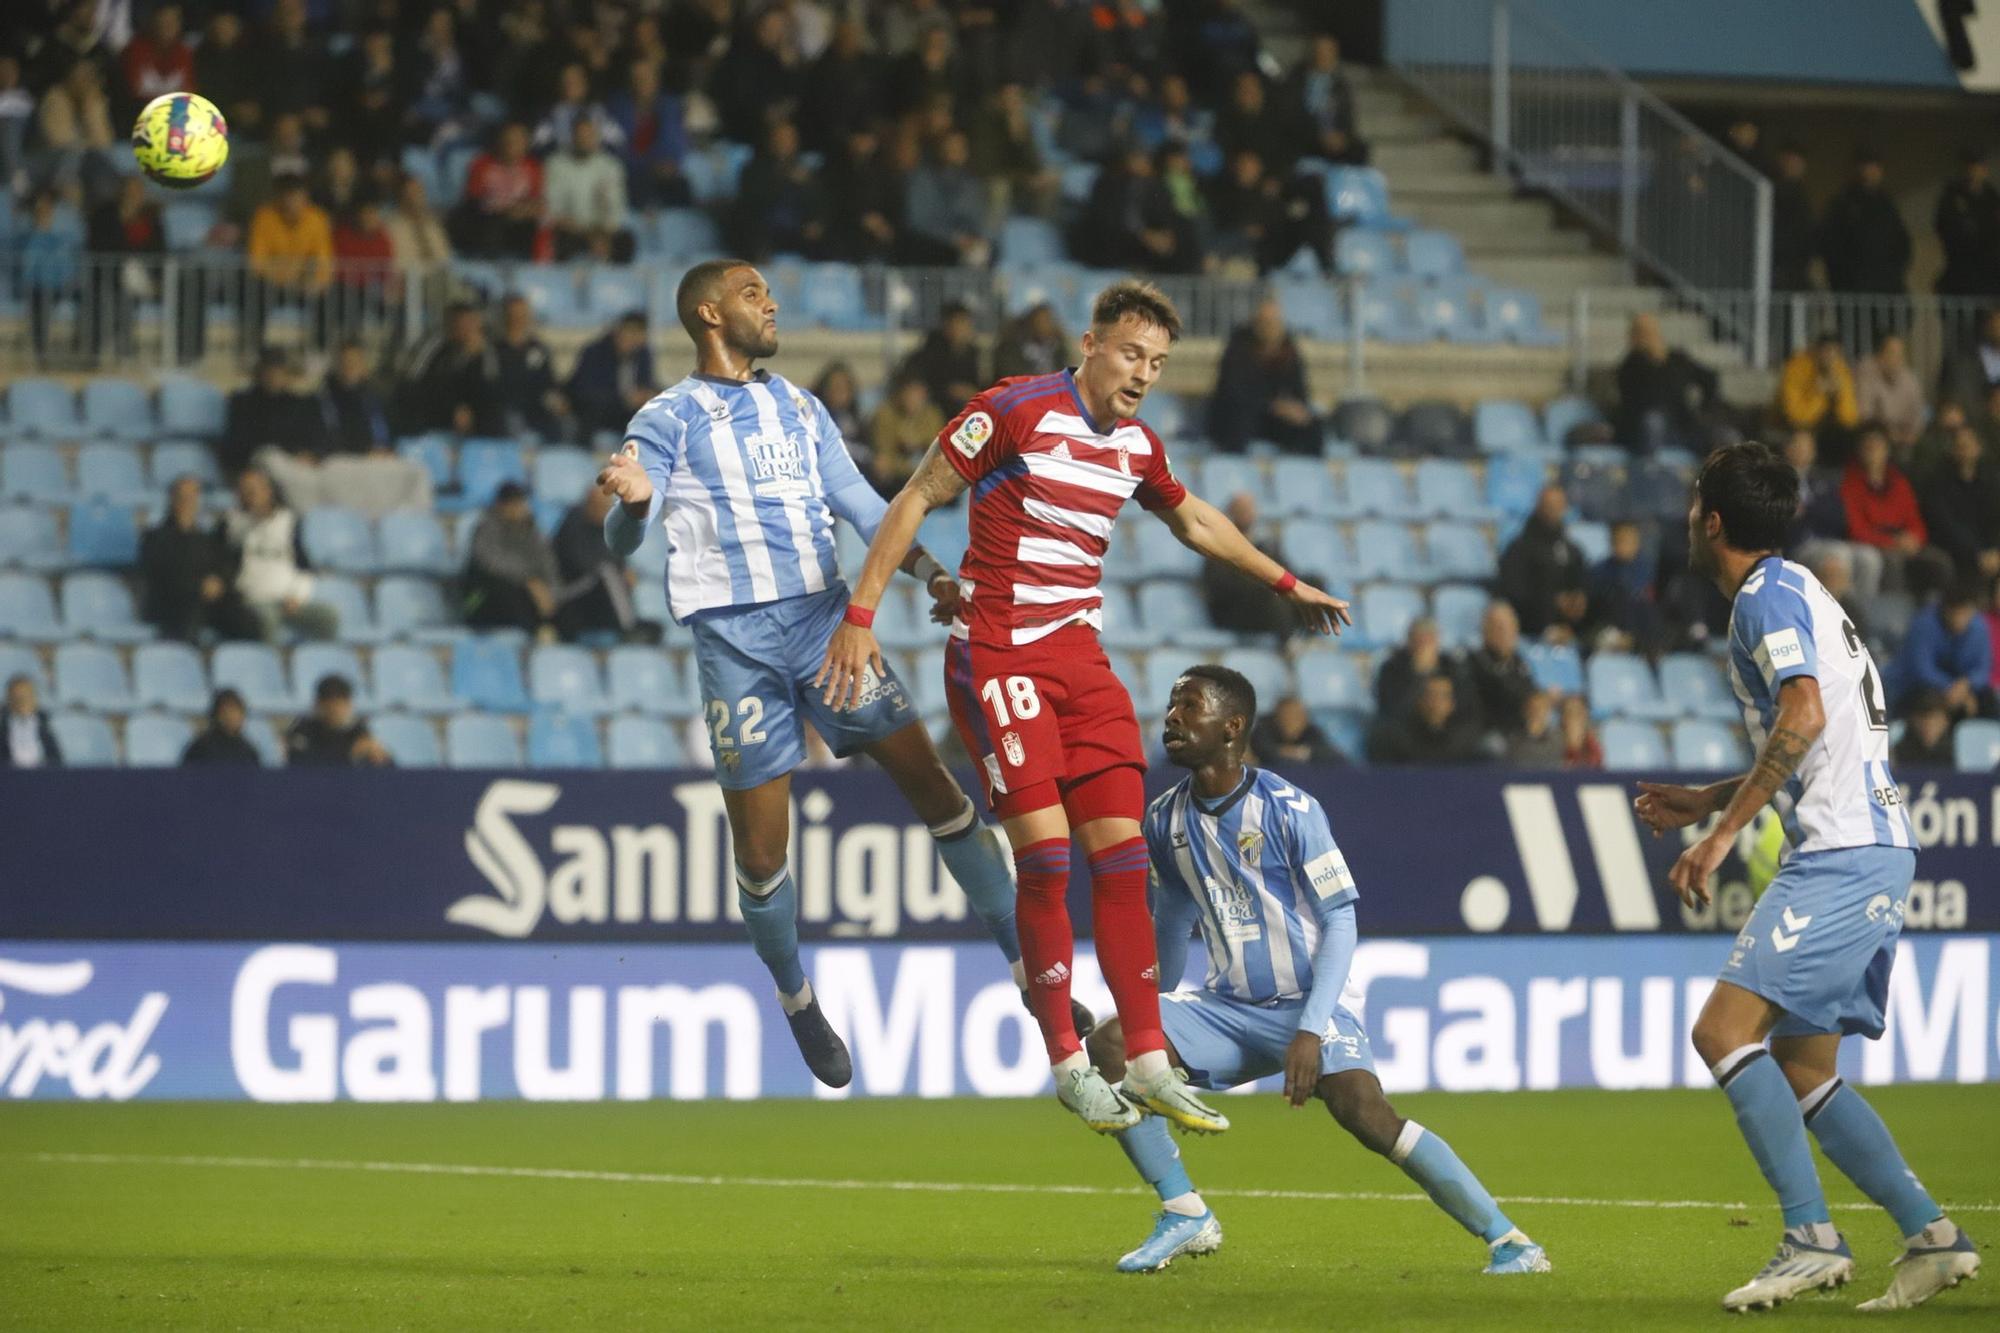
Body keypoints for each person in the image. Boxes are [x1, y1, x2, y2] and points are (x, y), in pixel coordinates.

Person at [820, 279, 1349, 1132]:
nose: (1145, 372)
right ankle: (1067, 1057)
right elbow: (917, 494)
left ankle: (1145, 1057)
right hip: (999, 652)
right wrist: (859, 616)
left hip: (1082, 660)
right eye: (1133, 353)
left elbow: (1197, 521)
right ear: (1093, 342)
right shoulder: (1015, 410)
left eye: (1160, 362)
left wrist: (1284, 582)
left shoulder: (1136, 447)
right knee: (1049, 860)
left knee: (1123, 860)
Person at [595, 258, 1043, 1089]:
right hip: (735, 648)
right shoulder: (668, 417)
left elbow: (866, 506)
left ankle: (1029, 970)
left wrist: (931, 573)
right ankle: (796, 995)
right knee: (764, 853)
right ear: (708, 312)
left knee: (938, 790)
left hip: (824, 627)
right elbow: (627, 535)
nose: (770, 303)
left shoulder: (800, 407)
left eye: (768, 291)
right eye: (751, 292)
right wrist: (628, 504)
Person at [1633, 441, 1974, 1314]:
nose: (1685, 518)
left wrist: (1722, 835)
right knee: (1798, 1062)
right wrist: (1709, 800)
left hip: (1840, 851)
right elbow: (1813, 736)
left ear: (1712, 520)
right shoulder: (1796, 587)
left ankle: (1810, 1236)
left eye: (1692, 503)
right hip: (1871, 845)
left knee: (1722, 1032)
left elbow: (1804, 711)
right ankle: (1931, 1235)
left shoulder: (1764, 595)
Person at [1080, 665, 1547, 1274]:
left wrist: (1311, 1026)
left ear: (1232, 727)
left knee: (1364, 1112)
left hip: (1310, 1002)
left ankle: (1510, 1242)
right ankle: (1184, 1211)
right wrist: (1141, 1014)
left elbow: (1341, 923)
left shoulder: (1290, 809)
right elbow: (1168, 928)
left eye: (1188, 706)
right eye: (1171, 706)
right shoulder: (1164, 819)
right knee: (1113, 1044)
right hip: (1228, 1007)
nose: (1171, 718)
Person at [222, 466, 338, 642]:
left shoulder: (289, 522)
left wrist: (297, 596)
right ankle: (270, 666)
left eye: (256, 488)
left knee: (329, 616)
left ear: (268, 490)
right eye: (246, 490)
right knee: (267, 619)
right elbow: (225, 560)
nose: (251, 494)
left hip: (288, 600)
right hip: (253, 601)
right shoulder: (232, 524)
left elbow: (305, 567)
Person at [141, 475, 258, 643]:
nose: (188, 502)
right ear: (172, 499)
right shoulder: (155, 538)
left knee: (244, 619)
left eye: (193, 497)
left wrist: (218, 582)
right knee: (189, 617)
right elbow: (164, 575)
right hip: (174, 604)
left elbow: (222, 565)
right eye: (183, 497)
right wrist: (198, 587)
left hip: (208, 603)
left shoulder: (206, 539)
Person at [1841, 427, 1952, 596]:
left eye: (1877, 447)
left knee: (1938, 561)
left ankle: (1931, 612)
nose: (1873, 452)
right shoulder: (1849, 483)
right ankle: (1894, 618)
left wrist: (1914, 539)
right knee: (1894, 563)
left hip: (1902, 541)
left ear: (1887, 451)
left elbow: (1914, 519)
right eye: (1868, 447)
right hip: (1874, 544)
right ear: (1859, 452)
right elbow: (1855, 529)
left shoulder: (1899, 482)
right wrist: (1891, 542)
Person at [1207, 299, 1320, 454]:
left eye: (1274, 321)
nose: (1270, 327)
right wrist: (1273, 405)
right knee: (1239, 421)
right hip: (1241, 415)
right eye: (1266, 322)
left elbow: (1299, 390)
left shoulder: (1288, 349)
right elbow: (1233, 391)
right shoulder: (1239, 345)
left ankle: (1304, 471)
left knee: (1312, 424)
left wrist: (1296, 408)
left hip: (1273, 419)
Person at [246, 175, 334, 352]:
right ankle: (253, 351)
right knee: (256, 295)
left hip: (304, 284)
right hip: (272, 284)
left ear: (305, 197)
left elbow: (323, 259)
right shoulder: (265, 217)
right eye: (289, 196)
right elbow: (257, 261)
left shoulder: (317, 218)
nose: (293, 202)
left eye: (298, 196)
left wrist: (315, 282)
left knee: (327, 299)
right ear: (279, 197)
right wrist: (282, 278)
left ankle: (319, 354)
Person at [1886, 579, 1996, 720]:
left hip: (1961, 687)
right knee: (1929, 700)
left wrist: (1966, 685)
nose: (1961, 619)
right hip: (1920, 686)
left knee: (1988, 700)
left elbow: (1983, 668)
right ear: (1946, 609)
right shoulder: (1923, 624)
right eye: (1957, 613)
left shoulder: (1979, 627)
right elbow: (1921, 670)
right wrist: (1949, 687)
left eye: (1966, 613)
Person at [397, 301, 506, 437]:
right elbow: (412, 383)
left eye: (470, 324)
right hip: (434, 415)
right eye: (460, 324)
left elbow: (492, 390)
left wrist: (476, 360)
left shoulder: (486, 352)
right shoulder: (433, 346)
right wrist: (452, 409)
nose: (465, 330)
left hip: (473, 420)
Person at [1616, 313, 1721, 453]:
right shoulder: (1631, 365)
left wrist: (1703, 408)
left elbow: (1710, 379)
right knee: (1653, 422)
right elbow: (1635, 403)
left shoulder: (1678, 359)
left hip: (1680, 424)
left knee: (1718, 433)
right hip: (1643, 430)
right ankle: (1649, 470)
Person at [464, 482, 559, 634]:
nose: (519, 508)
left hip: (525, 596)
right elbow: (491, 564)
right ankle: (530, 638)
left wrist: (551, 595)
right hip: (480, 598)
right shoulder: (485, 529)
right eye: (514, 503)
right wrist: (529, 581)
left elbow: (548, 565)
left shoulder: (532, 531)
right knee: (510, 593)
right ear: (501, 505)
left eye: (520, 503)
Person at [1498, 485, 1590, 639]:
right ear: (1538, 506)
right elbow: (1513, 594)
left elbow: (1581, 585)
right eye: (1549, 505)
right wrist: (1553, 603)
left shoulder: (1573, 550)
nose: (1553, 510)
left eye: (1558, 505)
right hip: (1530, 632)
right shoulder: (1518, 548)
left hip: (1569, 632)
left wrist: (1578, 602)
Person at [1200, 493, 1297, 639]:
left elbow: (1289, 573)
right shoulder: (1217, 546)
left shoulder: (1265, 545)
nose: (1248, 513)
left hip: (1267, 609)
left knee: (1312, 584)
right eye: (1242, 509)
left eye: (1250, 508)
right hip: (1235, 613)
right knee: (1272, 592)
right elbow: (1220, 588)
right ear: (1231, 513)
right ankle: (1289, 643)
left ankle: (1309, 637)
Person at [1818, 153, 1912, 299]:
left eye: (1875, 167)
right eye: (1868, 167)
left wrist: (1894, 273)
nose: (1872, 172)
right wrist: (1844, 276)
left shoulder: (1887, 204)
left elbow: (1902, 242)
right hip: (1854, 287)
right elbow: (1831, 243)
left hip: (1887, 287)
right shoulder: (1843, 203)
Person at [553, 484, 639, 641]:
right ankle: (628, 627)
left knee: (619, 575)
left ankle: (626, 624)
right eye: (601, 507)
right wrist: (614, 571)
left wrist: (625, 573)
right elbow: (580, 564)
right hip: (570, 592)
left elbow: (619, 559)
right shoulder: (572, 526)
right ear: (589, 504)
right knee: (608, 573)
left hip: (595, 597)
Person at [223, 348, 327, 477]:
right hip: (256, 469)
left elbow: (317, 440)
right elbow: (237, 445)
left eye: (279, 371)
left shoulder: (302, 404)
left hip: (296, 468)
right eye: (269, 371)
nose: (273, 376)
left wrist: (310, 454)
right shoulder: (242, 403)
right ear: (259, 373)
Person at [545, 117, 634, 263]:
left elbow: (616, 208)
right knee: (560, 240)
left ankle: (616, 283)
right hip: (572, 231)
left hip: (602, 231)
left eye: (589, 135)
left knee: (626, 240)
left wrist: (602, 234)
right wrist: (587, 234)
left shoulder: (611, 166)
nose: (584, 140)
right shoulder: (556, 164)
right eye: (580, 136)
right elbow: (553, 210)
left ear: (597, 137)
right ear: (572, 137)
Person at [1919, 423, 2000, 581]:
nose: (1965, 450)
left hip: (1989, 551)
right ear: (1953, 450)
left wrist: (1996, 551)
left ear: (1978, 448)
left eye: (1969, 445)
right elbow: (1946, 525)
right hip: (1954, 550)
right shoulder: (1938, 482)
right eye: (1960, 446)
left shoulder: (1991, 481)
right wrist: (1977, 553)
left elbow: (1996, 521)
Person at [455, 122, 543, 260]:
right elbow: (473, 200)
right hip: (488, 221)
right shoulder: (482, 164)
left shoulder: (533, 167)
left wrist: (522, 211)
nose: (511, 144)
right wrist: (505, 209)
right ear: (500, 141)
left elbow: (538, 201)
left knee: (543, 225)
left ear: (526, 144)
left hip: (520, 221)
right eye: (508, 140)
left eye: (517, 140)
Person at [904, 130, 991, 269]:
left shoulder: (971, 183)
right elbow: (918, 222)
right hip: (932, 244)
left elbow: (977, 219)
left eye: (960, 148)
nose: (955, 152)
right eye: (950, 148)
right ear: (940, 149)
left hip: (965, 244)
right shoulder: (922, 179)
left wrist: (975, 238)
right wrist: (954, 238)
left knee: (984, 252)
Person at [567, 312, 658, 439]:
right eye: (628, 333)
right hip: (597, 418)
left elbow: (647, 384)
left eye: (637, 335)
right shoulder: (594, 353)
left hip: (630, 417)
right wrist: (625, 399)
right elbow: (584, 393)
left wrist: (649, 395)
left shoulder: (643, 354)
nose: (631, 340)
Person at [1366, 673, 1488, 765]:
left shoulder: (1463, 739)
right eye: (1431, 694)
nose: (1436, 701)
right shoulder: (1396, 736)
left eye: (1443, 696)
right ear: (1420, 700)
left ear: (1451, 704)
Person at [494, 294, 570, 442]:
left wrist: (556, 400)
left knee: (565, 425)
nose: (519, 318)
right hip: (507, 409)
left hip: (537, 409)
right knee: (510, 422)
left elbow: (549, 383)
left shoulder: (538, 349)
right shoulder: (494, 350)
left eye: (523, 313)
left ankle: (557, 462)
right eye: (514, 314)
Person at [1288, 33, 1367, 166]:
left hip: (1335, 138)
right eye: (1320, 51)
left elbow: (1347, 116)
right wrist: (1319, 135)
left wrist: (1341, 136)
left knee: (1359, 149)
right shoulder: (1296, 80)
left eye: (1329, 52)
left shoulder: (1340, 84)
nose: (1324, 56)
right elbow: (1292, 114)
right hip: (1307, 137)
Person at [1779, 335, 1861, 463]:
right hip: (1792, 426)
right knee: (1803, 438)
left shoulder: (1840, 369)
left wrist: (1839, 395)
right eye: (1826, 351)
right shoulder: (1797, 367)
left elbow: (1849, 419)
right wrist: (1819, 393)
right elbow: (1796, 418)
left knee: (1852, 438)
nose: (1830, 357)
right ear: (1815, 351)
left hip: (1825, 429)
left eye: (1835, 353)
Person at [1933, 149, 2000, 299]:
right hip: (1962, 269)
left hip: (1989, 269)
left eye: (1979, 167)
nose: (1976, 172)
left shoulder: (1992, 197)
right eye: (1972, 167)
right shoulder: (1953, 196)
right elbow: (1944, 226)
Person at [1465, 601, 1537, 735]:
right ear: (1484, 630)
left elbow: (1529, 697)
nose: (1504, 633)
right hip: (1487, 735)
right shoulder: (1473, 663)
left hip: (1518, 736)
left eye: (1509, 626)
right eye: (1498, 627)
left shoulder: (1520, 663)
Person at [287, 674, 392, 766]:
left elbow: (388, 767)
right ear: (319, 704)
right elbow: (301, 763)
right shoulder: (303, 729)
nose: (336, 710)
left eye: (341, 704)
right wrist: (351, 754)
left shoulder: (357, 730)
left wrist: (379, 756)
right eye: (330, 705)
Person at [899, 303, 983, 417]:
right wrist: (951, 390)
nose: (962, 329)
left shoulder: (972, 354)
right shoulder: (930, 353)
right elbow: (920, 385)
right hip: (935, 411)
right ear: (946, 325)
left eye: (965, 323)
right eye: (958, 323)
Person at [867, 374, 944, 497]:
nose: (913, 398)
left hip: (925, 477)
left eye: (918, 393)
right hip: (897, 479)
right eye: (909, 392)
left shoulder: (932, 415)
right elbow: (884, 459)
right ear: (900, 393)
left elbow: (938, 458)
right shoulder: (885, 415)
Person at [1854, 333, 1926, 453]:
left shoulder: (1909, 378)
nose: (1897, 359)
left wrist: (1913, 433)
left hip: (1905, 436)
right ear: (1879, 356)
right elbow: (1865, 415)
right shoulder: (1865, 373)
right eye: (1892, 353)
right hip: (1875, 433)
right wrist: (1889, 432)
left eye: (1901, 354)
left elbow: (1918, 412)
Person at [319, 341, 391, 456]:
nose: (350, 366)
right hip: (339, 458)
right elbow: (329, 431)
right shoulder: (326, 398)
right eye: (345, 362)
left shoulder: (374, 397)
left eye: (355, 362)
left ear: (364, 366)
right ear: (338, 366)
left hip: (372, 457)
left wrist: (380, 447)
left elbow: (380, 430)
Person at [1248, 693, 1345, 766]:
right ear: (1277, 718)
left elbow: (1334, 755)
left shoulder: (1311, 730)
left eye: (1297, 717)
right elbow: (1265, 753)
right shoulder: (1263, 728)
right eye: (1287, 716)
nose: (1293, 721)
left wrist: (1300, 753)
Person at [180, 688, 262, 766]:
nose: (232, 717)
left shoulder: (248, 751)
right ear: (217, 714)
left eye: (236, 712)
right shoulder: (201, 747)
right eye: (227, 711)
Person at [991, 303, 1070, 381]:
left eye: (1049, 321)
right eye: (1041, 321)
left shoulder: (1057, 348)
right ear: (1032, 323)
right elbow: (1010, 377)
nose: (1046, 325)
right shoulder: (1010, 349)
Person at [2, 675, 62, 769]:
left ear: (35, 698)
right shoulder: (3, 727)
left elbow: (57, 759)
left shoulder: (46, 725)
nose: (22, 701)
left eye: (26, 696)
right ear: (8, 699)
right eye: (17, 697)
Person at [1891, 689, 1956, 769]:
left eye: (1935, 719)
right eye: (1922, 719)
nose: (1928, 726)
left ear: (1946, 722)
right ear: (1913, 721)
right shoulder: (1899, 753)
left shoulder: (1958, 752)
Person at [1506, 691, 1565, 766]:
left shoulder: (1560, 741)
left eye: (1541, 707)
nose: (1536, 711)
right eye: (1532, 707)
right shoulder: (1512, 741)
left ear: (1548, 711)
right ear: (1525, 710)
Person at [1560, 694, 1604, 768]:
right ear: (1563, 718)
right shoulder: (1554, 744)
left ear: (1585, 716)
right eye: (1569, 712)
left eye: (1578, 713)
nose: (1573, 718)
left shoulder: (1593, 748)